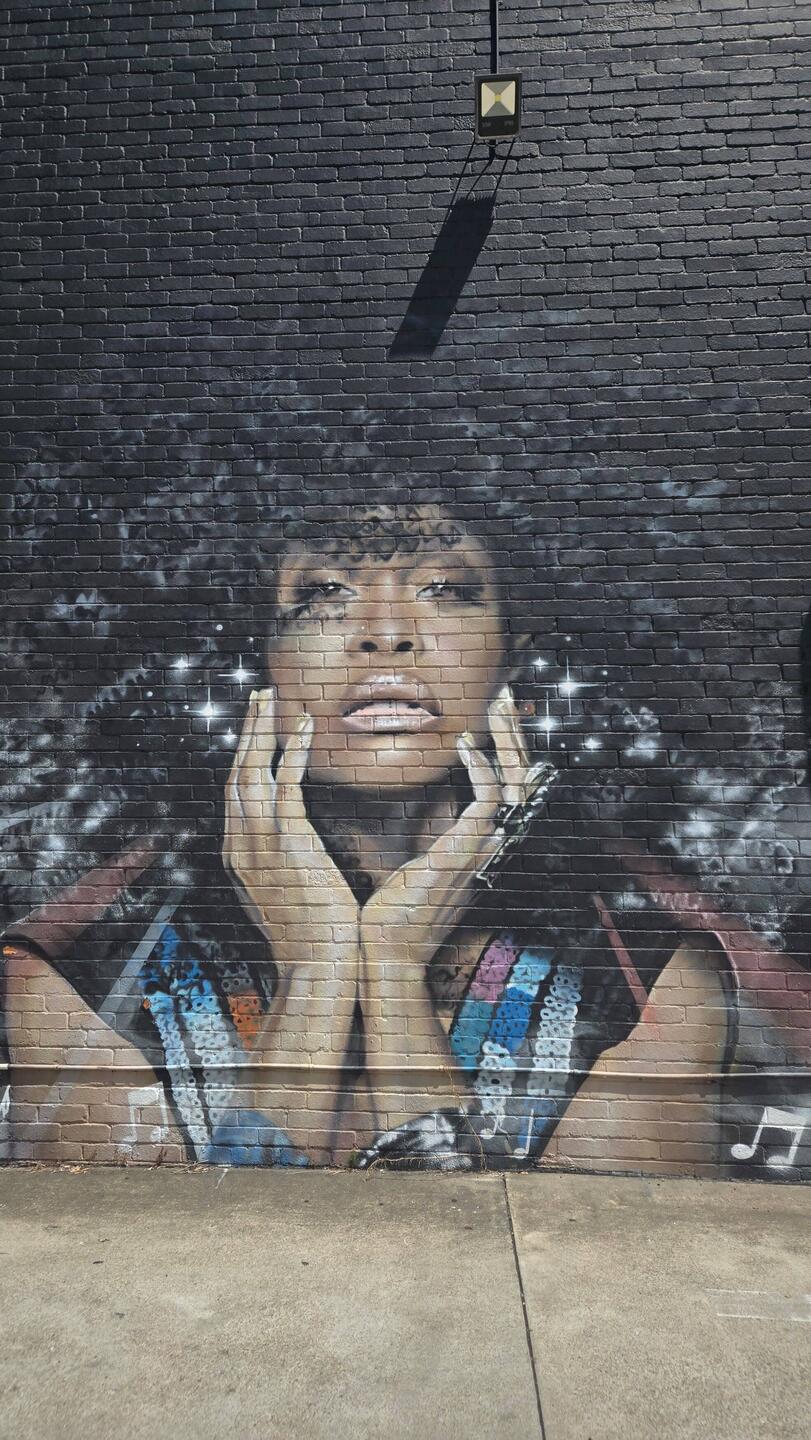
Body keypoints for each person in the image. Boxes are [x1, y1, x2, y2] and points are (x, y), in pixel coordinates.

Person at [1, 500, 806, 1172]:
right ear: (255, 671)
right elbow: (176, 1285)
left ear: (513, 669)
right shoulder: (85, 978)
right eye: (324, 593)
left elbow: (556, 1294)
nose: (385, 632)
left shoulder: (647, 983)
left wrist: (389, 967)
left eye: (445, 590)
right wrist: (316, 968)